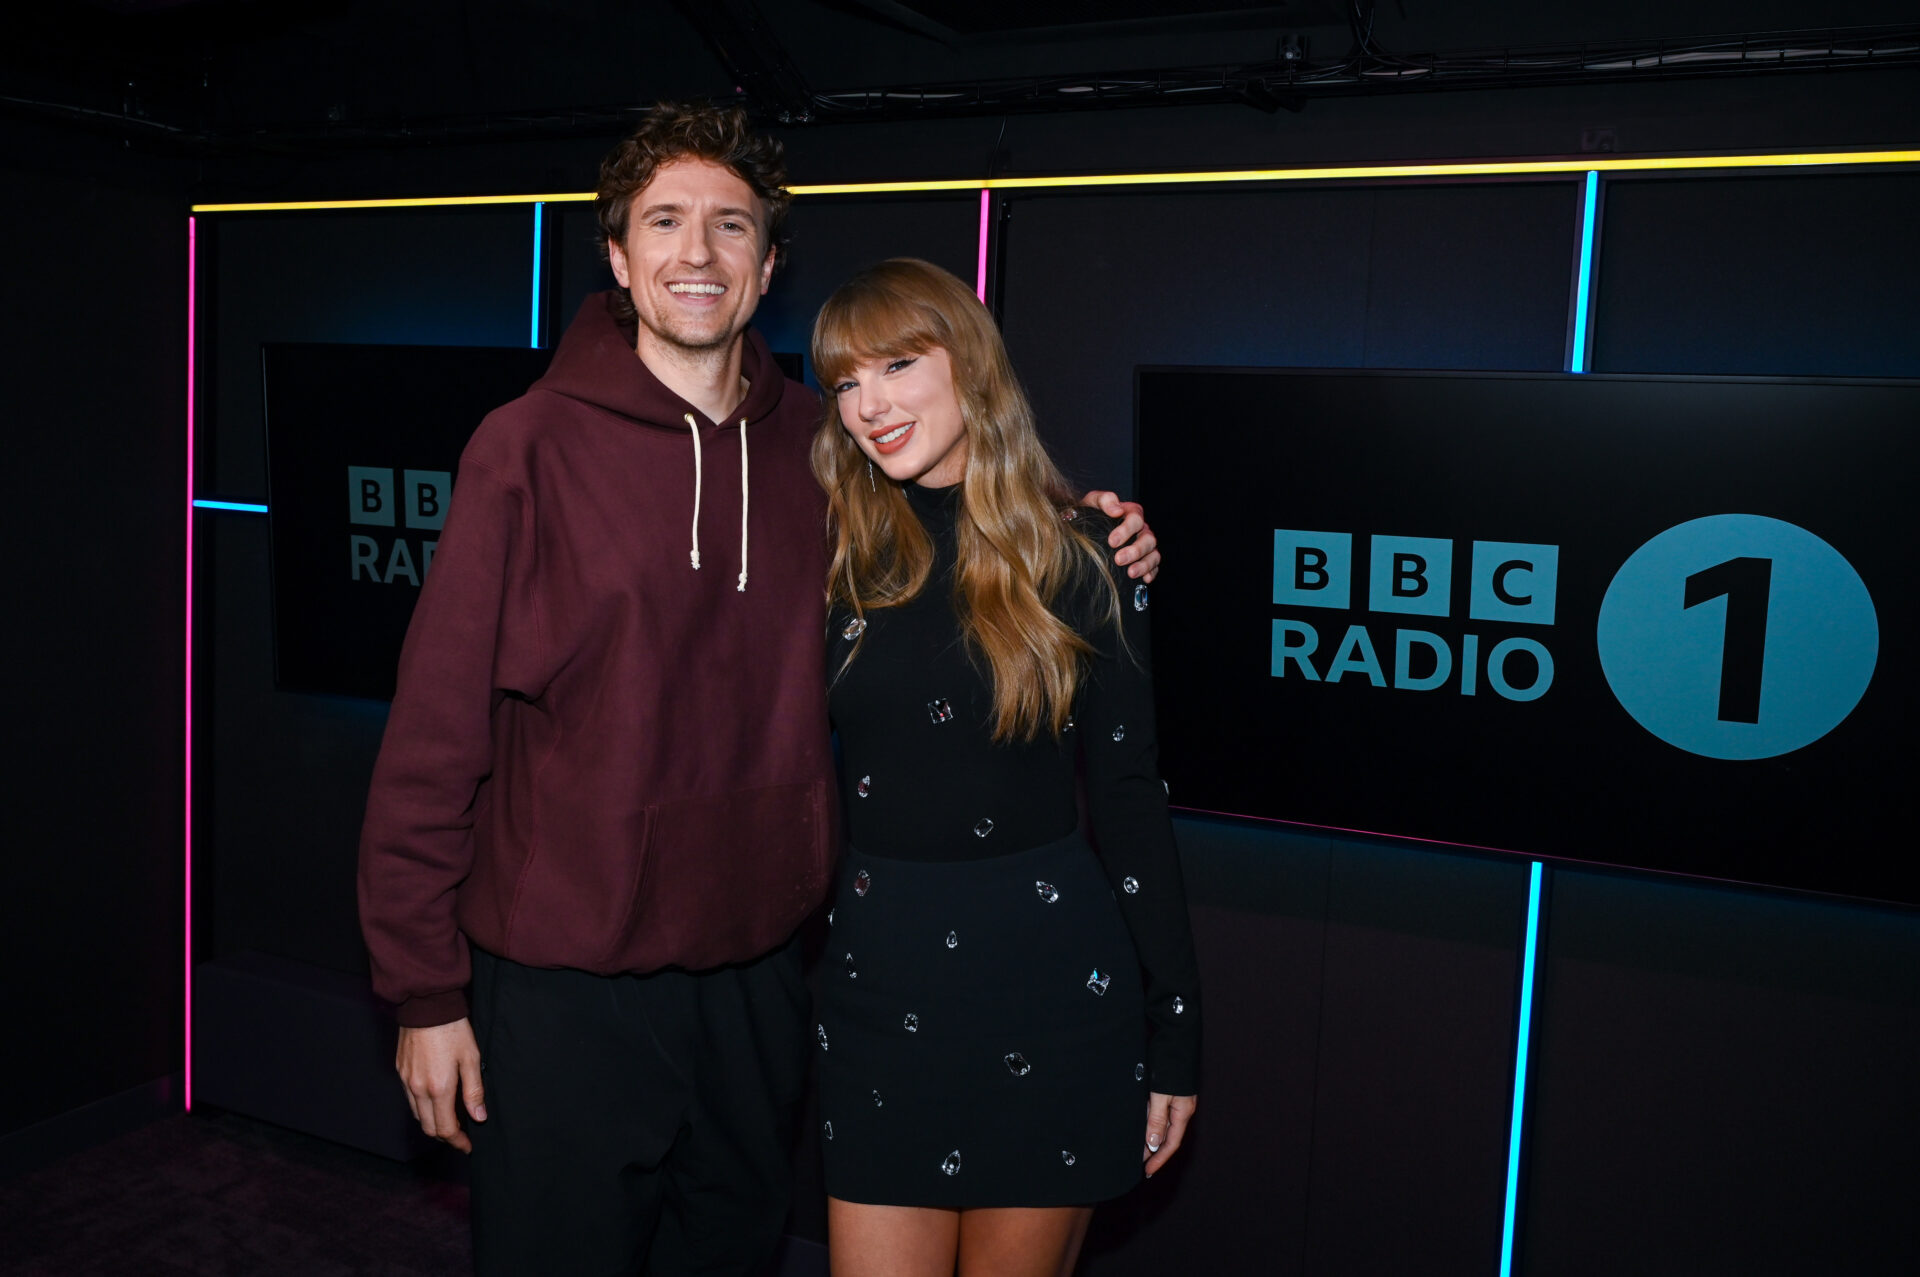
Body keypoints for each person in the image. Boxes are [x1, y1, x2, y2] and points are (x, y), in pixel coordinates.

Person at [356, 104, 1160, 1276]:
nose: (698, 252)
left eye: (731, 225)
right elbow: (432, 741)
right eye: (664, 222)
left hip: (759, 984)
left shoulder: (826, 452)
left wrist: (1093, 528)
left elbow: (968, 514)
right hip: (566, 990)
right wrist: (424, 993)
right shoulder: (523, 449)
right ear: (618, 256)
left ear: (769, 263)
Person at [808, 258, 1200, 1277]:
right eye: (846, 380)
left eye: (898, 364)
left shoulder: (1089, 554)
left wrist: (1176, 1030)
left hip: (1052, 990)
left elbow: (1131, 802)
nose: (869, 404)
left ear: (971, 365)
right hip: (877, 987)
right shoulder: (830, 552)